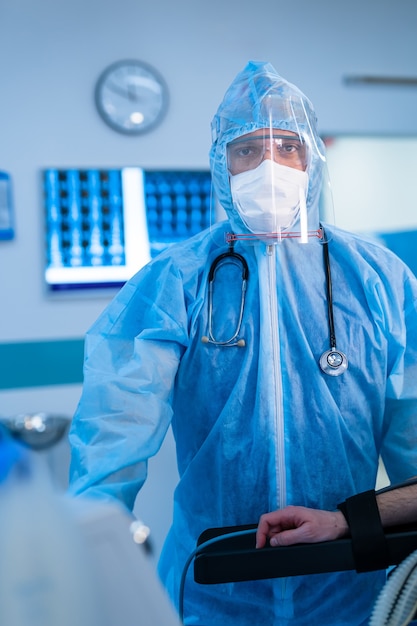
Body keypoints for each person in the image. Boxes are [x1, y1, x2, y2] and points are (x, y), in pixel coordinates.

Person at [68, 60, 417, 626]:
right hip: (216, 583)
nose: (269, 166)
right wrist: (86, 548)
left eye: (286, 147)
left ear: (312, 158)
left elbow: (415, 440)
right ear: (220, 164)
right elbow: (115, 428)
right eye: (247, 150)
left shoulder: (376, 279)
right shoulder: (176, 281)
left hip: (351, 583)